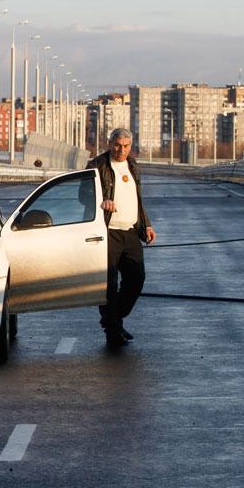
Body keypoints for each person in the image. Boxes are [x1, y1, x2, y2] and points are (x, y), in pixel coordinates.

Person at [86, 128, 156, 348]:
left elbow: (138, 199)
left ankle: (112, 319)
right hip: (107, 233)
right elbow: (83, 195)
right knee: (109, 284)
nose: (121, 150)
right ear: (109, 143)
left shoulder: (133, 165)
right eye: (117, 145)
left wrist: (147, 224)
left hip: (131, 231)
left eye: (126, 146)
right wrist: (102, 202)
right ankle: (113, 331)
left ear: (130, 146)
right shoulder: (96, 165)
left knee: (136, 279)